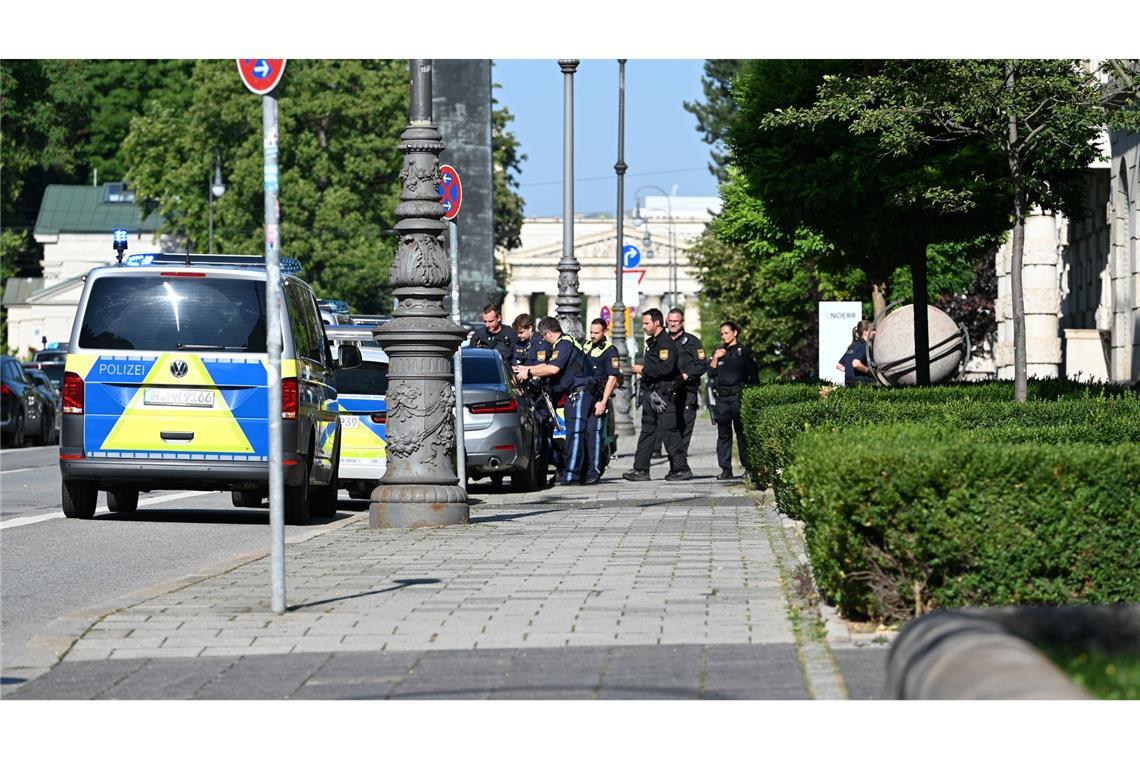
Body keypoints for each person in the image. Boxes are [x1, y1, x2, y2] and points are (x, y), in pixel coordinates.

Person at [513, 317, 593, 485]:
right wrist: (528, 370)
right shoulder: (561, 344)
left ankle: (572, 475)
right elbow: (547, 367)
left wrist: (528, 371)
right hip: (573, 393)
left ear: (548, 333)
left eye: (543, 336)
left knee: (576, 434)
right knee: (572, 434)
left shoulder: (564, 343)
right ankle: (569, 472)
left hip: (580, 391)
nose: (542, 339)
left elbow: (553, 368)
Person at [623, 308, 691, 482]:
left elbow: (666, 368)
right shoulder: (653, 342)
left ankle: (681, 468)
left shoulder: (665, 343)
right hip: (653, 392)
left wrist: (644, 370)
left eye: (646, 323)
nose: (644, 326)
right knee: (647, 430)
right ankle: (641, 469)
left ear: (657, 323)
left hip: (665, 394)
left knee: (669, 431)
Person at [708, 321, 758, 481]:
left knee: (741, 433)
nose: (724, 336)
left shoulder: (743, 352)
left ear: (735, 333)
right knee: (723, 434)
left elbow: (754, 376)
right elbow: (711, 373)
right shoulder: (719, 352)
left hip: (738, 396)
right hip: (723, 399)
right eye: (722, 333)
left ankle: (748, 468)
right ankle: (725, 469)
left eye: (726, 333)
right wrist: (716, 357)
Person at [581, 318, 622, 484]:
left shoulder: (610, 351)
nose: (593, 335)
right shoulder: (586, 347)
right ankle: (582, 469)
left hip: (599, 398)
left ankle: (594, 471)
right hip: (585, 397)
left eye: (596, 333)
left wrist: (604, 401)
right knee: (581, 435)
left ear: (605, 332)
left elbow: (612, 378)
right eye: (591, 332)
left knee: (594, 435)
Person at [665, 307, 707, 458]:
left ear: (682, 322)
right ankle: (674, 461)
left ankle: (680, 465)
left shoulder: (692, 342)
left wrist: (686, 375)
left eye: (675, 321)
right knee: (670, 428)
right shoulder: (662, 341)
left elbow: (703, 365)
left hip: (687, 390)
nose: (672, 324)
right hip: (668, 392)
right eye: (670, 321)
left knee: (685, 426)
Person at [836, 319, 875, 387]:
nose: (875, 332)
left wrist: (850, 372)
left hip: (848, 382)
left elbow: (839, 366)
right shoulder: (864, 346)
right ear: (865, 332)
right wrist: (868, 371)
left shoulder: (852, 346)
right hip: (861, 382)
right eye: (872, 330)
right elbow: (856, 364)